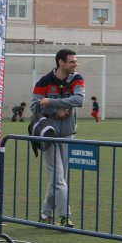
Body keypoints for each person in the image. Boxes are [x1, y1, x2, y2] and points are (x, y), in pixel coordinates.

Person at [30, 49, 85, 228]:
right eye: (72, 62)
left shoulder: (77, 79)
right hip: (50, 136)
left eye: (75, 62)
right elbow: (34, 105)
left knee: (59, 179)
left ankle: (45, 215)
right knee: (58, 178)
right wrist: (55, 110)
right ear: (60, 62)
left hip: (69, 135)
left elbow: (79, 100)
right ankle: (65, 216)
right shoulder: (44, 81)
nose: (75, 65)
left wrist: (53, 102)